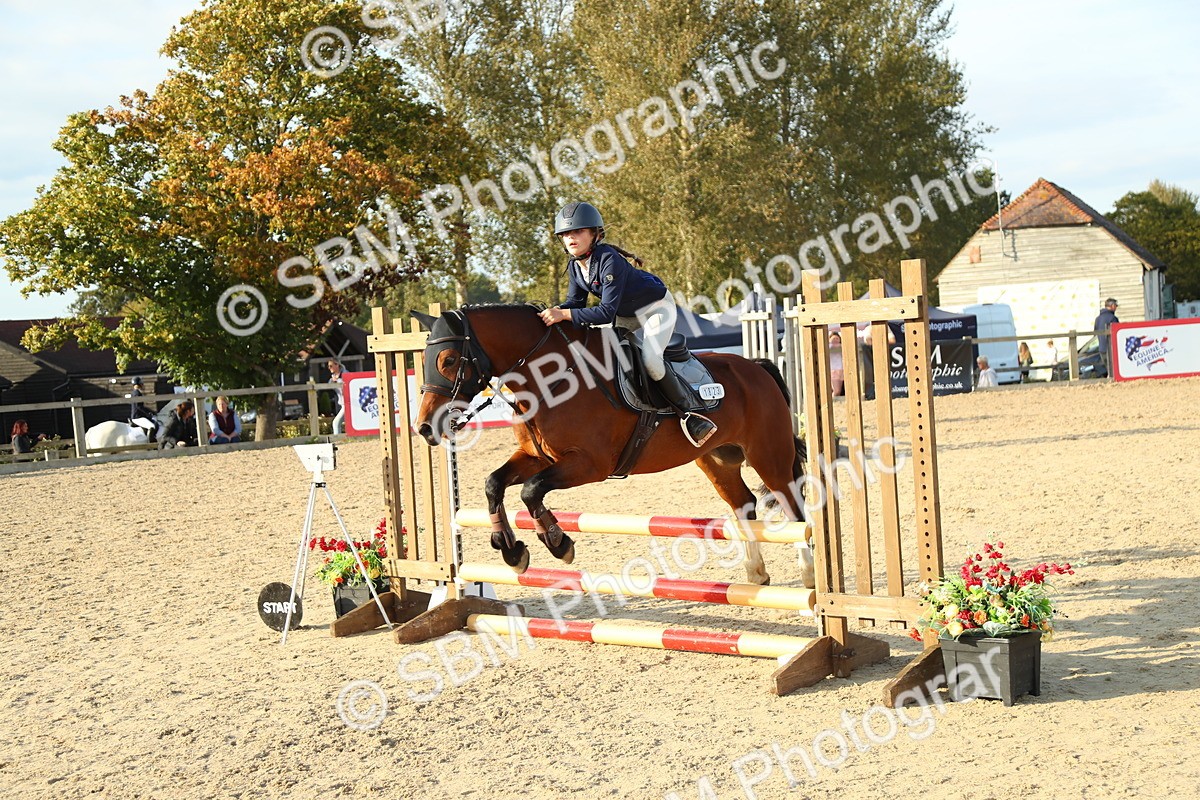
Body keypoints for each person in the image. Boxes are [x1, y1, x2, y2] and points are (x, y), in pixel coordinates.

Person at [539, 201, 717, 446]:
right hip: (626, 313)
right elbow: (575, 303)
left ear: (595, 234)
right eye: (566, 234)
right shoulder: (575, 266)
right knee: (607, 355)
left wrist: (565, 315)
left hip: (656, 308)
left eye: (578, 231)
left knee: (651, 360)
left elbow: (605, 313)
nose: (571, 238)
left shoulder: (608, 260)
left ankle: (690, 414)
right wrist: (554, 312)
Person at [1094, 298, 1119, 376]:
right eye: (1116, 305)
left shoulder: (1098, 319)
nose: (1116, 307)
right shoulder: (1113, 318)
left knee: (1109, 370)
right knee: (1114, 372)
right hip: (1112, 349)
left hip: (1102, 349)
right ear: (1112, 306)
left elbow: (1095, 333)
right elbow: (1117, 334)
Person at [328, 359, 346, 435]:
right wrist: (332, 381)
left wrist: (337, 380)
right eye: (328, 366)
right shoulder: (333, 377)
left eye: (331, 366)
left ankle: (337, 439)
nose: (329, 368)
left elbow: (346, 383)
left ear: (337, 365)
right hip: (342, 403)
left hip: (348, 403)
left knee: (336, 423)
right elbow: (329, 385)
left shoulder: (345, 373)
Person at [829, 331, 846, 396]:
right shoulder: (828, 347)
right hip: (833, 370)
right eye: (833, 339)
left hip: (841, 370)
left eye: (837, 339)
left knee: (839, 391)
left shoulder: (842, 346)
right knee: (836, 391)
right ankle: (832, 400)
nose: (835, 340)